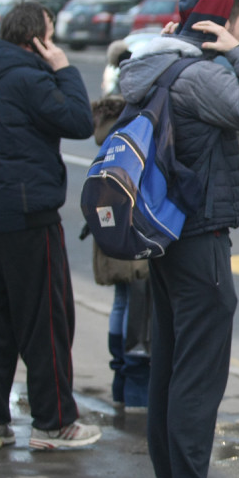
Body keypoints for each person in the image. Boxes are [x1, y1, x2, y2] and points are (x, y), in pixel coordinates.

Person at [118, 0, 239, 478]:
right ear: (218, 24)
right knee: (199, 373)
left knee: (170, 361)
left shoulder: (156, 64)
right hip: (198, 232)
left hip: (164, 233)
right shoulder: (201, 75)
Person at [0, 1, 101, 451]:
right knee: (45, 321)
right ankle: (53, 423)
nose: (54, 43)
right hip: (28, 215)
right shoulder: (31, 77)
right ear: (36, 39)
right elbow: (79, 121)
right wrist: (65, 69)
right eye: (50, 35)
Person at [90, 40, 152, 410]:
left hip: (109, 216)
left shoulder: (110, 112)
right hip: (133, 217)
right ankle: (134, 386)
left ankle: (120, 380)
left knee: (122, 298)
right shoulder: (137, 111)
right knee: (139, 299)